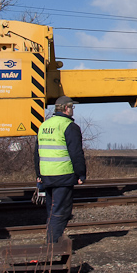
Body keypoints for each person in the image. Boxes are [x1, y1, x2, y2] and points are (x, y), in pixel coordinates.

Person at [35, 96, 86, 244]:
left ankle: (53, 240)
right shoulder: (69, 126)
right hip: (62, 174)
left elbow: (36, 152)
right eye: (72, 108)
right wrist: (81, 173)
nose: (72, 111)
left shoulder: (44, 125)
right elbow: (76, 153)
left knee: (52, 210)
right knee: (61, 211)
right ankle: (52, 245)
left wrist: (39, 174)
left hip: (46, 175)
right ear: (66, 108)